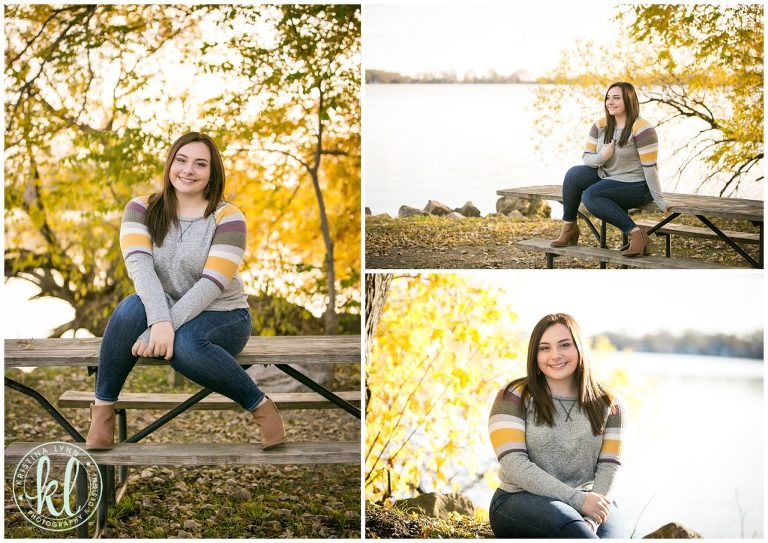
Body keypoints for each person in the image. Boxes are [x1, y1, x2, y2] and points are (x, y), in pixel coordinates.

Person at [85, 132, 287, 451]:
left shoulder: (228, 217)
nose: (188, 170)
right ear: (170, 164)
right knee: (128, 309)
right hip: (162, 308)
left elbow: (212, 284)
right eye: (181, 160)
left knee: (186, 346)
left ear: (211, 174)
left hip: (224, 315)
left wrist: (161, 327)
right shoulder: (139, 208)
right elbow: (142, 270)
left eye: (200, 163)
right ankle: (103, 410)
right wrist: (160, 322)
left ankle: (260, 406)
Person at [488, 313, 625, 539]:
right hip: (519, 499)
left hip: (592, 499)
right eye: (544, 348)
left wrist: (591, 517)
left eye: (564, 345)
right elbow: (514, 463)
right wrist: (579, 502)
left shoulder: (609, 402)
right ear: (535, 354)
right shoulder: (514, 396)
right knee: (577, 532)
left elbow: (610, 467)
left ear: (580, 348)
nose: (555, 355)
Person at [550, 82, 670, 257]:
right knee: (573, 174)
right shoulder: (601, 125)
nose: (610, 102)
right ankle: (570, 227)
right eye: (608, 97)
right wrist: (603, 157)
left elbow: (650, 168)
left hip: (637, 185)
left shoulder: (642, 128)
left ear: (629, 100)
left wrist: (660, 201)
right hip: (609, 176)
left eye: (616, 98)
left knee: (591, 195)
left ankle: (637, 236)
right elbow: (587, 157)